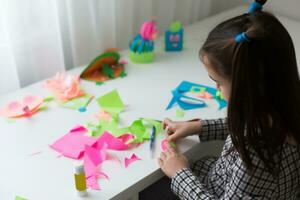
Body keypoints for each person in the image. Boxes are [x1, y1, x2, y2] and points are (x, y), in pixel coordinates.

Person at [140, 0, 300, 199]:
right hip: (219, 179)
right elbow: (248, 127)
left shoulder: (255, 157)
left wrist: (180, 174)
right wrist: (197, 127)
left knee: (146, 192)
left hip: (213, 191)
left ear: (247, 87)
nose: (216, 89)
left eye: (218, 82)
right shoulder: (281, 108)